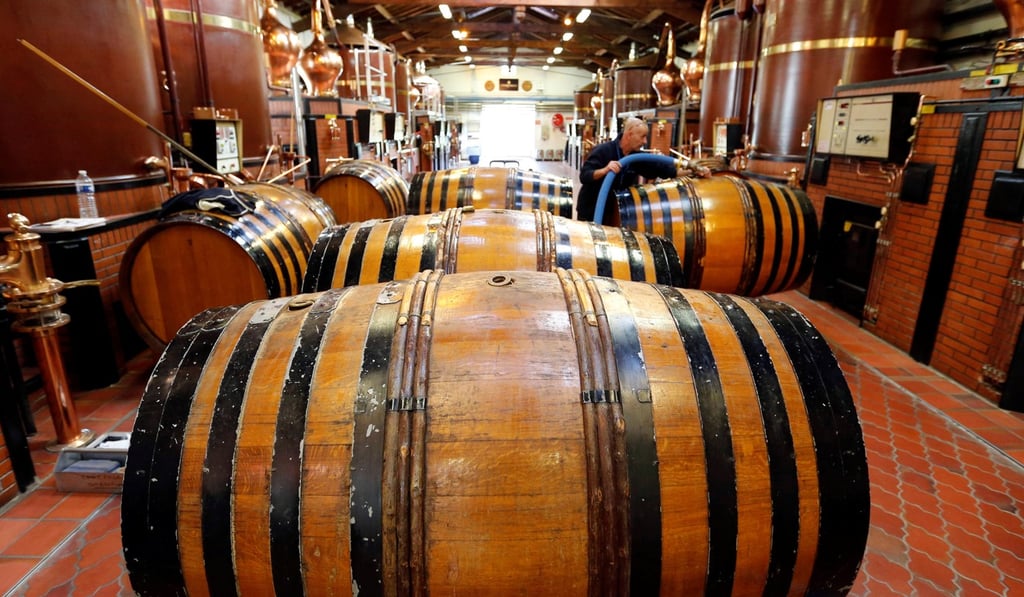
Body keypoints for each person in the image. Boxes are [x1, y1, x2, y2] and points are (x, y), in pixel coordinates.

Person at [577, 116, 700, 223]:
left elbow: (666, 171)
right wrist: (605, 170)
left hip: (615, 213)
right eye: (643, 137)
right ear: (629, 135)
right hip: (591, 211)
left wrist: (693, 171)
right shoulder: (603, 151)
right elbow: (585, 175)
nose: (645, 141)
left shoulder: (636, 157)